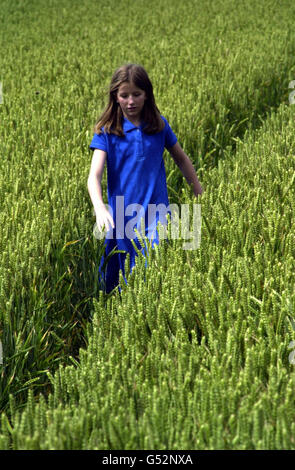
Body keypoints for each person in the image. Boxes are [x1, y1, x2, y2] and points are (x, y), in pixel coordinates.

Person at [88, 63, 203, 293]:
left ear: (147, 95)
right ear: (115, 97)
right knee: (118, 280)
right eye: (124, 95)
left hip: (156, 215)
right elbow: (95, 175)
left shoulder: (158, 126)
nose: (130, 101)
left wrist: (199, 192)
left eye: (137, 94)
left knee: (153, 272)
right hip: (122, 217)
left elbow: (181, 159)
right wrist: (100, 208)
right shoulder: (107, 131)